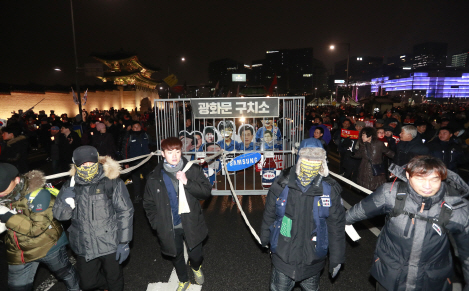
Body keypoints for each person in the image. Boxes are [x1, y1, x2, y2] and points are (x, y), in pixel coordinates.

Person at [346, 156, 469, 291]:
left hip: (431, 281)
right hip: (389, 276)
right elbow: (356, 212)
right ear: (408, 175)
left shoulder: (457, 208)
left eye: (434, 179)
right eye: (420, 179)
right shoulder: (390, 193)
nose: (427, 186)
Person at [260, 138, 345, 291]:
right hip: (283, 256)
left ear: (323, 161)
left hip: (313, 259)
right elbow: (270, 213)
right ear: (299, 157)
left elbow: (336, 225)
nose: (311, 161)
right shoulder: (282, 183)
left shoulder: (329, 189)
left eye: (316, 157)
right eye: (307, 157)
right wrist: (265, 237)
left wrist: (337, 258)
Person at [53, 146, 134, 291]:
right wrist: (65, 203)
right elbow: (60, 216)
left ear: (97, 162)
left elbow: (125, 211)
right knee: (87, 283)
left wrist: (124, 241)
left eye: (91, 163)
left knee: (114, 280)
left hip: (109, 242)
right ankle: (106, 286)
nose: (87, 167)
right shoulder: (70, 185)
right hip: (84, 244)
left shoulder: (111, 181)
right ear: (77, 165)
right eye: (83, 164)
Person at [143, 137, 212, 291]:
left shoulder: (192, 169)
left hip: (191, 221)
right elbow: (148, 203)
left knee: (196, 254)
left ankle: (195, 267)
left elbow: (206, 192)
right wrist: (157, 223)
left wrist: (187, 182)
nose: (174, 155)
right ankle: (183, 280)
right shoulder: (154, 177)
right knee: (176, 254)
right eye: (170, 152)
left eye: (177, 151)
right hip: (169, 224)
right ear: (163, 153)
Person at [0, 163, 79, 291]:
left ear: (16, 180)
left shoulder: (38, 194)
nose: (0, 192)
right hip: (18, 252)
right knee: (17, 288)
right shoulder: (3, 196)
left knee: (65, 273)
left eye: (2, 188)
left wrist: (8, 217)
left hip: (47, 246)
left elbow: (36, 228)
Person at [122, 121, 151, 203]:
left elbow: (151, 143)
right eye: (134, 127)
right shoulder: (129, 136)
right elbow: (124, 149)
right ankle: (137, 196)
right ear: (132, 128)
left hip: (145, 162)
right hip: (134, 163)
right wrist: (126, 162)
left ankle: (149, 195)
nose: (136, 128)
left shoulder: (145, 135)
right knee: (136, 180)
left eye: (138, 126)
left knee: (148, 179)